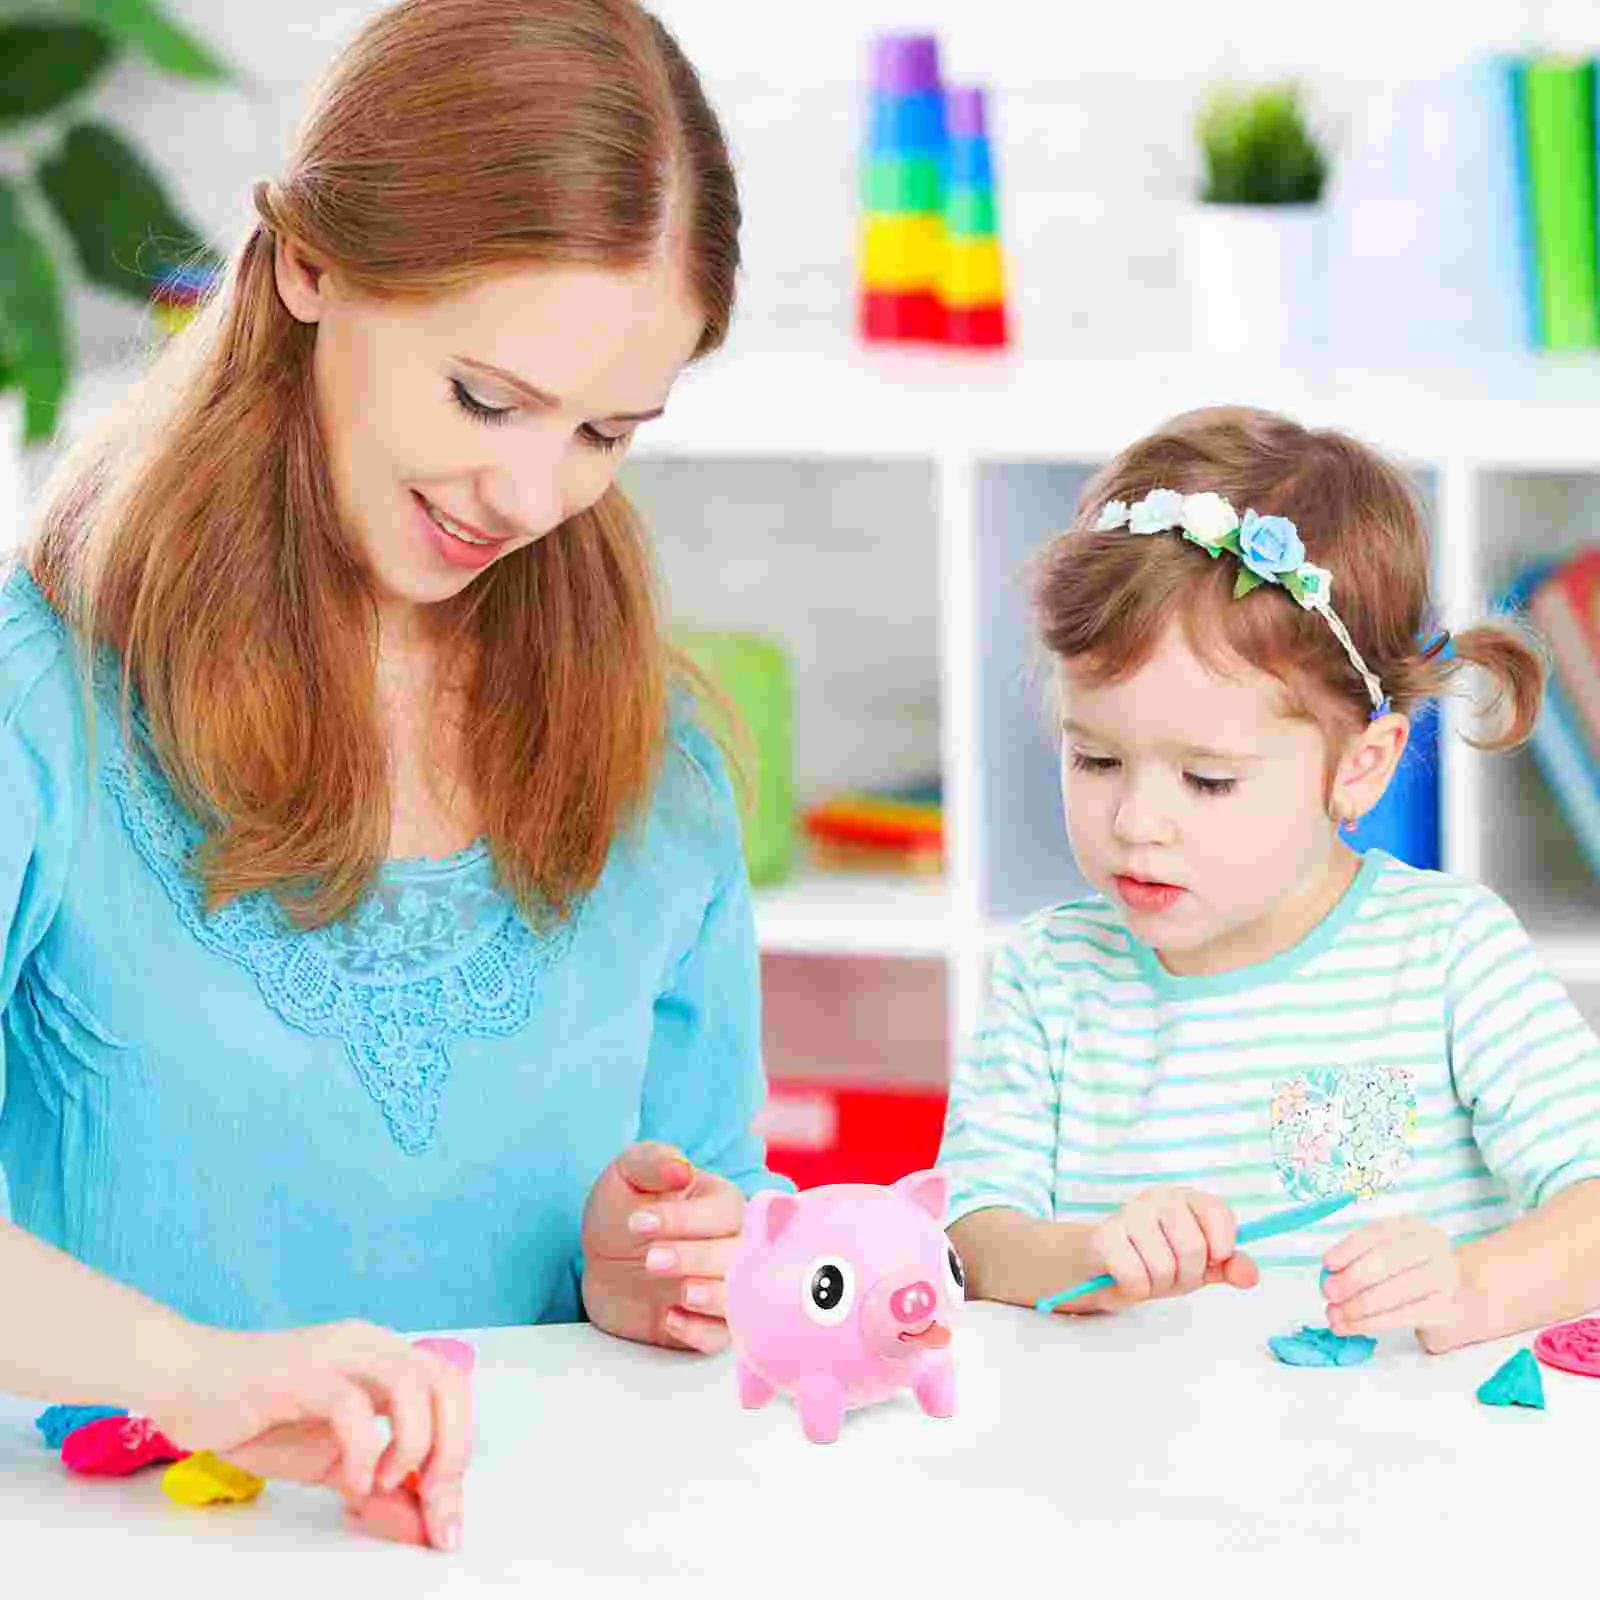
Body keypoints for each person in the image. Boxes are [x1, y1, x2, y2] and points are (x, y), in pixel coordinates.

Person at [0, 0, 790, 1553]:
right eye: (485, 399)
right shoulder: (46, 697)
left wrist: (661, 1276)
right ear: (310, 266)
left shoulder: (651, 753)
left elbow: (726, 1210)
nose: (532, 493)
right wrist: (201, 1378)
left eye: (606, 433)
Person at [940, 405, 1600, 1353]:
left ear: (1360, 768)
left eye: (1207, 779)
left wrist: (1469, 1285)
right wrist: (1086, 1254)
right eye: (1095, 760)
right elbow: (970, 1240)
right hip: (1122, 1441)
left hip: (1398, 1440)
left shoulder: (1450, 955)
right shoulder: (1049, 976)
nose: (1136, 822)